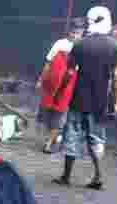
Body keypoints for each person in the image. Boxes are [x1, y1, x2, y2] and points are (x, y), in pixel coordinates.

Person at [55, 6, 117, 190]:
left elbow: (69, 73)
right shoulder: (115, 46)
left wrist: (59, 92)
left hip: (79, 100)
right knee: (96, 139)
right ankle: (98, 176)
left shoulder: (80, 45)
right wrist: (116, 103)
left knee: (72, 136)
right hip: (100, 102)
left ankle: (66, 176)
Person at [36, 22, 85, 153]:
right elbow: (48, 63)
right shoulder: (59, 44)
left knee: (60, 113)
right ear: (68, 31)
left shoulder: (82, 47)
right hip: (51, 85)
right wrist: (41, 79)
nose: (75, 36)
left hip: (68, 87)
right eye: (73, 32)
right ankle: (51, 137)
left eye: (78, 33)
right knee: (47, 113)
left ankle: (49, 143)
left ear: (82, 34)